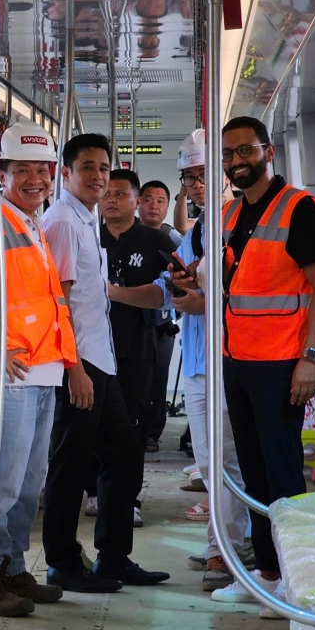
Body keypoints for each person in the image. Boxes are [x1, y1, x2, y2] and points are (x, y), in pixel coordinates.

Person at [173, 115, 315, 618]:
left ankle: (299, 582)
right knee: (255, 474)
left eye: (245, 151)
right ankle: (267, 574)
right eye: (229, 154)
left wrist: (314, 357)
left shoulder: (300, 209)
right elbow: (232, 290)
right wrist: (192, 295)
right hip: (237, 360)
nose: (237, 161)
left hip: (284, 363)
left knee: (283, 476)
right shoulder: (229, 215)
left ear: (268, 152)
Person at [108, 131, 250, 591]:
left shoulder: (242, 223)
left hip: (234, 356)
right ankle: (225, 544)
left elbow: (242, 294)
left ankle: (226, 552)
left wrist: (202, 300)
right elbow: (169, 292)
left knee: (228, 460)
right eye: (190, 177)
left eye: (204, 174)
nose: (197, 184)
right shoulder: (203, 229)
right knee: (211, 464)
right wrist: (110, 292)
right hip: (198, 362)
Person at [0, 121, 78, 617]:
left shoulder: (31, 223)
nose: (34, 179)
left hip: (40, 372)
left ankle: (13, 568)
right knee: (0, 483)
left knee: (27, 485)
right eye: (20, 170)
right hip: (8, 375)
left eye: (41, 170)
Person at [41, 133, 169, 592]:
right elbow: (60, 302)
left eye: (103, 167)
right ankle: (62, 562)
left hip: (102, 359)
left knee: (124, 453)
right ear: (66, 173)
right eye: (88, 167)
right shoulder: (61, 222)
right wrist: (73, 368)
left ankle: (113, 557)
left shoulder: (86, 218)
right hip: (80, 363)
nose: (98, 176)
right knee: (71, 464)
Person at [100, 168, 175, 464]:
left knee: (134, 420)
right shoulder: (89, 237)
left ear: (136, 201)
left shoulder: (156, 241)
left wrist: (117, 294)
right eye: (106, 193)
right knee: (96, 420)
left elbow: (172, 288)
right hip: (93, 345)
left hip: (138, 344)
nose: (112, 200)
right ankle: (94, 491)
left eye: (120, 194)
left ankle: (128, 499)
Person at [138, 178, 182, 450]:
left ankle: (152, 432)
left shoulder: (174, 239)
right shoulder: (127, 235)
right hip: (132, 319)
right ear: (138, 203)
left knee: (158, 376)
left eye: (160, 201)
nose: (153, 206)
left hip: (162, 322)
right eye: (148, 199)